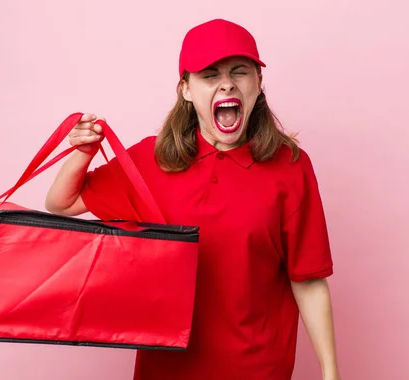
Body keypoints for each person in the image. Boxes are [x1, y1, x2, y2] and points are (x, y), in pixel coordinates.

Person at [45, 18, 341, 380]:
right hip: (165, 368)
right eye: (210, 75)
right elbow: (61, 203)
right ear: (185, 89)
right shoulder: (150, 161)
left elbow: (308, 279)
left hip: (257, 368)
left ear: (258, 84)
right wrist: (84, 151)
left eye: (240, 72)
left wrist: (330, 373)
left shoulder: (290, 167)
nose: (227, 83)